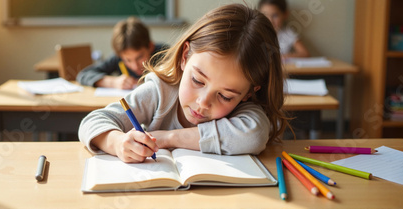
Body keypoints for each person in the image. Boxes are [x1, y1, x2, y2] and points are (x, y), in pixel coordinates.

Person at [78, 3, 292, 163]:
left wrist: (169, 138)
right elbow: (93, 121)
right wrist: (116, 142)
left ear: (249, 92)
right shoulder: (159, 92)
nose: (203, 103)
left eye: (225, 96)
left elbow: (254, 135)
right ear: (185, 56)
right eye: (198, 80)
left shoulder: (243, 109)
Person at [76, 16, 168, 89]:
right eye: (128, 60)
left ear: (150, 46)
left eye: (139, 57)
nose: (135, 66)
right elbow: (84, 75)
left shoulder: (165, 54)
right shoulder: (118, 58)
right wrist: (113, 82)